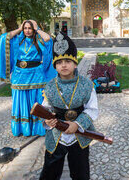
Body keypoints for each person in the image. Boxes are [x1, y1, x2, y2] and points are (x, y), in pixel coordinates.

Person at [40, 32, 98, 180]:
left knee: (80, 172)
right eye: (59, 62)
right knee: (50, 171)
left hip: (79, 135)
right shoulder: (50, 87)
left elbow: (92, 109)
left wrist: (77, 124)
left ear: (75, 62)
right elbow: (46, 108)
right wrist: (47, 120)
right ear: (55, 65)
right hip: (56, 134)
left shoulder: (86, 85)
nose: (63, 65)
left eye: (67, 61)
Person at [0, 20, 56, 137]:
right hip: (19, 75)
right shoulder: (18, 40)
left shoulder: (39, 40)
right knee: (20, 99)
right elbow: (4, 38)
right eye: (25, 28)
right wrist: (19, 29)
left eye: (30, 28)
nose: (27, 31)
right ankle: (23, 128)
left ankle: (38, 128)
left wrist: (37, 28)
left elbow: (48, 39)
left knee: (37, 100)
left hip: (36, 74)